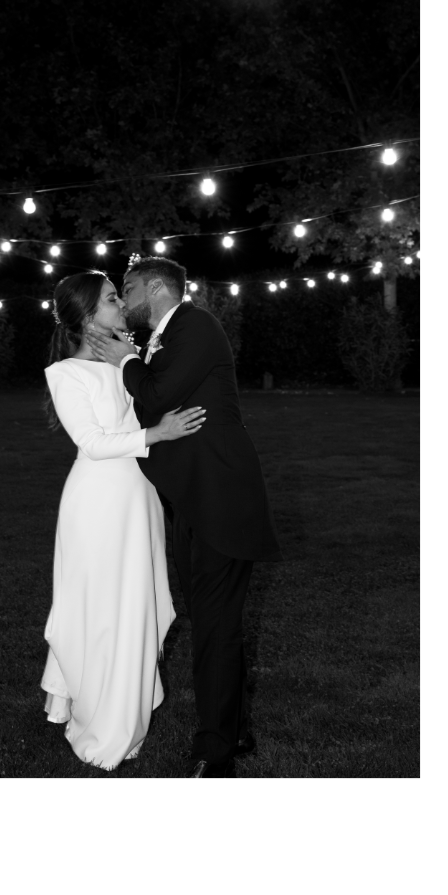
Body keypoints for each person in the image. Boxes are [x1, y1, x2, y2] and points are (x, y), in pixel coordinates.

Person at [84, 256, 282, 779]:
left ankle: (215, 752)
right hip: (192, 500)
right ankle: (235, 727)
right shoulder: (164, 339)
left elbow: (155, 395)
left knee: (214, 627)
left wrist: (127, 361)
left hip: (221, 499)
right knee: (214, 622)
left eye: (126, 289)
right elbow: (153, 411)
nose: (124, 301)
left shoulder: (195, 325)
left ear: (155, 288)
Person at [40, 272, 207, 771]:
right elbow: (92, 443)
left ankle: (127, 707)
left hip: (139, 499)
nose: (122, 305)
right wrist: (158, 433)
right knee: (103, 615)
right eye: (114, 299)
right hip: (96, 505)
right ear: (89, 317)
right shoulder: (65, 374)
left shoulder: (126, 363)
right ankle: (102, 723)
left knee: (137, 606)